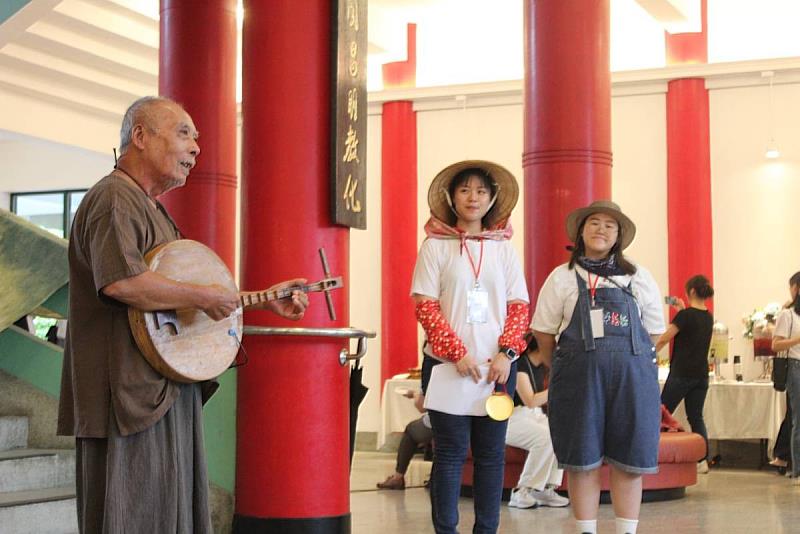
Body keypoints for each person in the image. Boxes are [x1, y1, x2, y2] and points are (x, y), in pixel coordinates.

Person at [57, 96, 309, 533]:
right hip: (126, 394)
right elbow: (123, 283)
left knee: (169, 513)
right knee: (132, 514)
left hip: (163, 386)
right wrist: (202, 294)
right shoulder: (115, 198)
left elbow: (184, 296)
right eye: (184, 133)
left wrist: (263, 297)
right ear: (140, 136)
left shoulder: (151, 208)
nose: (197, 148)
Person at [532, 200, 664, 534]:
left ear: (619, 235)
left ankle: (626, 530)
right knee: (582, 459)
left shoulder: (639, 276)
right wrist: (564, 364)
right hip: (579, 381)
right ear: (581, 231)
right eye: (594, 222)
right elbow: (543, 331)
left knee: (630, 460)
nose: (601, 229)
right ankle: (585, 530)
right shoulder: (562, 276)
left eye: (609, 224)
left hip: (632, 380)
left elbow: (655, 332)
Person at [411, 160, 529, 534]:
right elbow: (425, 305)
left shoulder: (505, 250)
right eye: (465, 190)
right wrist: (454, 352)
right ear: (452, 197)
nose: (473, 197)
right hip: (447, 368)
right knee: (448, 455)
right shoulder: (435, 247)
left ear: (493, 198)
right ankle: (446, 530)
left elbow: (519, 306)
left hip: (498, 371)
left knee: (491, 457)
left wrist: (507, 353)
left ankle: (486, 530)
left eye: (481, 190)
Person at [655, 275, 715, 474]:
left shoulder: (685, 316)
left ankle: (653, 454)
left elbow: (665, 338)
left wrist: (649, 353)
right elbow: (692, 327)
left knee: (661, 412)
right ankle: (703, 460)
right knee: (696, 417)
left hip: (681, 373)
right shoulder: (708, 316)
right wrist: (681, 310)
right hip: (701, 375)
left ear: (690, 291)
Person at [505, 333, 569, 509]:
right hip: (510, 417)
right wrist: (558, 388)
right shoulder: (519, 364)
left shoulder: (541, 367)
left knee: (562, 433)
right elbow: (530, 400)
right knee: (544, 437)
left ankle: (546, 489)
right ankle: (522, 490)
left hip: (531, 415)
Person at [771, 271, 800, 486]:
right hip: (795, 366)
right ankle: (797, 469)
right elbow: (776, 345)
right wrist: (797, 340)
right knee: (797, 419)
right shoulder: (787, 315)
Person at [376, 390, 433, 490]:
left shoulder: (432, 375)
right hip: (466, 421)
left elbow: (422, 406)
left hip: (443, 421)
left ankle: (398, 477)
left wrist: (415, 394)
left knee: (411, 430)